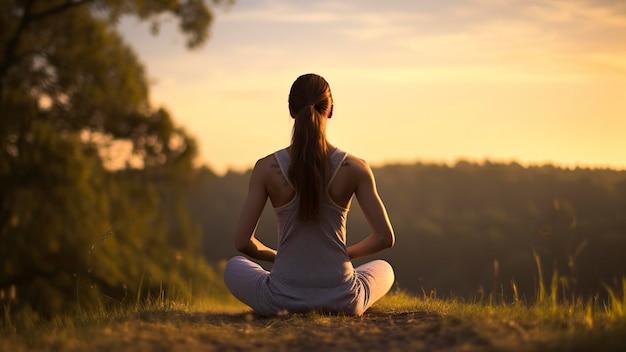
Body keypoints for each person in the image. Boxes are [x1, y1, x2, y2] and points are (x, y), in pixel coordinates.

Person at [223, 73, 395, 316]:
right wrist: (340, 255)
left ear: (291, 111)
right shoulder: (356, 168)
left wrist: (281, 258)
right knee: (384, 268)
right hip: (343, 299)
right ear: (331, 110)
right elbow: (384, 238)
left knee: (233, 266)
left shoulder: (266, 168)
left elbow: (243, 242)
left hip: (280, 300)